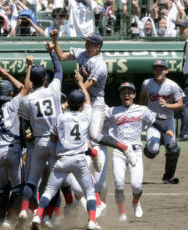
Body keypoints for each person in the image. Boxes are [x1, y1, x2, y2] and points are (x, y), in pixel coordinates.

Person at [52, 30, 137, 217]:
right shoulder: (82, 54)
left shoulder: (100, 65)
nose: (87, 46)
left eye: (91, 44)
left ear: (98, 47)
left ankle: (124, 147)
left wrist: (79, 82)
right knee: (77, 136)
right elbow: (60, 55)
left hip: (96, 102)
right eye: (87, 42)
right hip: (83, 101)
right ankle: (93, 156)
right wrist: (55, 40)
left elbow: (87, 87)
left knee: (95, 135)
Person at [31, 72, 102, 230]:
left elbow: (53, 138)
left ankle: (37, 215)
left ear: (68, 103)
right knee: (90, 192)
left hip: (62, 160)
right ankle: (91, 221)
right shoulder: (85, 116)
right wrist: (81, 83)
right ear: (81, 104)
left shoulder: (60, 118)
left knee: (48, 191)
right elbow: (88, 101)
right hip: (79, 159)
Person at [16, 36, 63, 228]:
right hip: (56, 142)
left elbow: (24, 124)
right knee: (53, 184)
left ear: (32, 81)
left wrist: (26, 141)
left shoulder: (27, 100)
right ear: (45, 79)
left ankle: (23, 210)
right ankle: (45, 217)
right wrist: (52, 51)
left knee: (32, 180)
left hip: (38, 143)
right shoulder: (53, 89)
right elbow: (59, 70)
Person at [111, 82, 174, 222]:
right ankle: (121, 212)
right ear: (120, 95)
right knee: (119, 183)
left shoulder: (142, 109)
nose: (126, 94)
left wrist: (165, 131)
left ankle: (135, 201)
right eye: (123, 92)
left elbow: (154, 122)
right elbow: (100, 122)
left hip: (135, 151)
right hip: (119, 152)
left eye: (129, 92)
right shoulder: (113, 111)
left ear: (134, 95)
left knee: (136, 185)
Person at [0, 53, 32, 228]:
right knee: (17, 189)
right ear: (9, 93)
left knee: (2, 189)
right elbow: (26, 87)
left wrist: (1, 78)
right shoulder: (12, 104)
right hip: (12, 150)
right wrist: (28, 66)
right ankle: (8, 219)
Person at [140, 60, 184, 184]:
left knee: (173, 150)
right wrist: (140, 115)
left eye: (161, 69)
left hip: (167, 121)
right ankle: (151, 146)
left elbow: (180, 104)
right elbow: (142, 99)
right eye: (156, 69)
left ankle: (168, 177)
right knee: (152, 152)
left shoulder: (173, 85)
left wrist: (168, 105)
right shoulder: (147, 83)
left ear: (166, 71)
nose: (158, 71)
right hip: (153, 121)